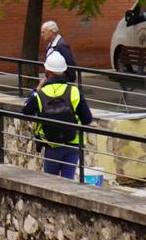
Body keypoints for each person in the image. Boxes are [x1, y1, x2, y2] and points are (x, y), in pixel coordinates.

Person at [23, 52, 94, 180]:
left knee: (51, 183)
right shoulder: (74, 91)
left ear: (47, 72)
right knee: (68, 183)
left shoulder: (41, 94)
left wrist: (36, 90)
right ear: (63, 71)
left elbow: (26, 110)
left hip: (52, 145)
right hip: (73, 145)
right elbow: (87, 119)